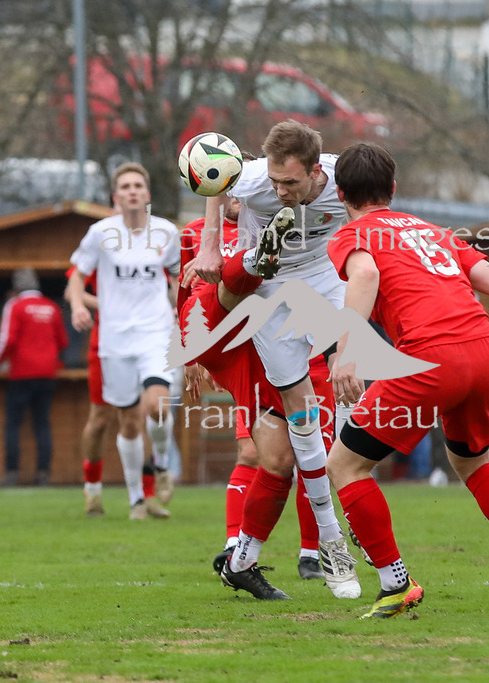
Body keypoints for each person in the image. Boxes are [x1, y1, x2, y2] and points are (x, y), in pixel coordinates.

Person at [324, 142, 489, 619]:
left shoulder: (354, 233)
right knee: (474, 464)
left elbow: (363, 276)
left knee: (345, 465)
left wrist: (347, 354)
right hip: (484, 353)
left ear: (340, 193)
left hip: (430, 359)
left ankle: (395, 583)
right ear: (394, 188)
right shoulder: (435, 232)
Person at [190, 121, 359, 592]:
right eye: (274, 181)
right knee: (295, 432)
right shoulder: (248, 179)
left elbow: (376, 204)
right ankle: (328, 540)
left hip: (326, 281)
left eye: (291, 182)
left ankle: (335, 538)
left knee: (353, 374)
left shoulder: (342, 174)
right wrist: (207, 244)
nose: (280, 189)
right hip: (268, 294)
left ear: (314, 170)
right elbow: (213, 184)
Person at [67, 162, 180, 520]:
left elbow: (179, 279)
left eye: (138, 186)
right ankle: (136, 500)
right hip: (114, 339)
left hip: (155, 333)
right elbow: (76, 277)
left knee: (159, 406)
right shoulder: (100, 233)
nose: (132, 191)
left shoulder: (165, 233)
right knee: (127, 422)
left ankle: (161, 462)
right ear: (116, 198)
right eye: (125, 187)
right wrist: (75, 306)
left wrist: (183, 315)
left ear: (147, 195)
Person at [0, 267, 69, 486]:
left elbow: (7, 340)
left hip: (21, 374)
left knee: (13, 424)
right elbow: (63, 342)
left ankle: (11, 474)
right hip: (48, 374)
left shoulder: (15, 306)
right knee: (42, 424)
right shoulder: (52, 307)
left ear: (16, 287)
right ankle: (43, 474)